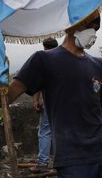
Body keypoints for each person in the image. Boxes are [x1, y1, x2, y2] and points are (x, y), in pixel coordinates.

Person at [7, 11, 102, 178]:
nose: (93, 33)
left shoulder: (101, 65)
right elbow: (7, 96)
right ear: (72, 25)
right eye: (90, 27)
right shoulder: (43, 60)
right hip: (73, 159)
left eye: (96, 29)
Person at [31, 38, 59, 172]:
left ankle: (43, 163)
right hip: (65, 102)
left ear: (44, 47)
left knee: (45, 132)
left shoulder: (43, 61)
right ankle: (63, 161)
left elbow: (37, 83)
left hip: (49, 102)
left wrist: (36, 100)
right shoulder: (64, 61)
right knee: (62, 130)